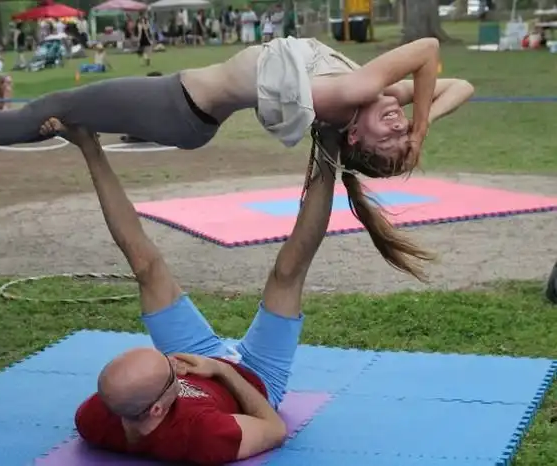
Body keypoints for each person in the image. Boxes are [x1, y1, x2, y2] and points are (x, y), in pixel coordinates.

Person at [0, 37, 473, 280]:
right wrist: (417, 130)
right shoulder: (370, 101)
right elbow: (459, 85)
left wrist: (417, 133)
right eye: (402, 125)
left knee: (57, 108)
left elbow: (428, 49)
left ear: (354, 139)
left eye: (392, 135)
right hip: (191, 111)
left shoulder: (350, 95)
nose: (399, 121)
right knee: (60, 112)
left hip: (178, 106)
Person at [41, 114, 338, 465]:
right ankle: (330, 144)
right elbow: (274, 429)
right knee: (287, 274)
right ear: (157, 409)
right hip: (254, 380)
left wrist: (192, 365)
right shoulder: (202, 436)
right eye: (171, 370)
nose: (173, 361)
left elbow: (145, 383)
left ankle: (89, 146)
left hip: (199, 356)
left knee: (146, 268)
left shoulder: (96, 416)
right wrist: (223, 371)